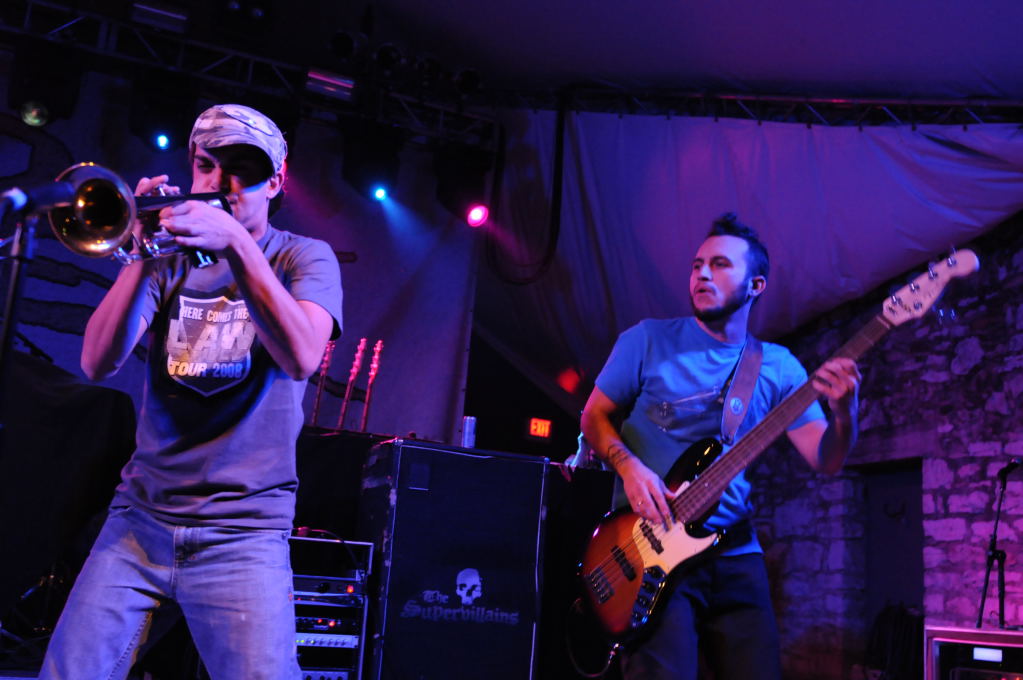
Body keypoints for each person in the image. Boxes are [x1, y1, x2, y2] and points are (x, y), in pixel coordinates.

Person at [39, 103, 343, 680]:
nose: (220, 183)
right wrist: (140, 251)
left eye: (242, 169)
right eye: (207, 165)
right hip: (139, 522)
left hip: (245, 532)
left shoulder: (302, 256)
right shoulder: (168, 262)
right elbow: (97, 361)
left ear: (276, 181)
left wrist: (237, 246)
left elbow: (302, 356)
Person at [580, 213, 860, 680]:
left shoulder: (778, 367)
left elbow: (826, 458)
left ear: (756, 285)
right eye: (697, 265)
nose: (702, 274)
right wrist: (630, 468)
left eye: (720, 264)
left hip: (735, 556)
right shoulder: (647, 340)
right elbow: (593, 417)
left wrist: (846, 413)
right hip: (647, 553)